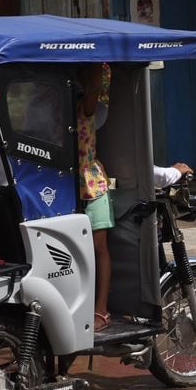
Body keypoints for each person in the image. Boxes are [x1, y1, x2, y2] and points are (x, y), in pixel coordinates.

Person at [77, 63, 114, 330]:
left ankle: (100, 311)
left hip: (93, 187)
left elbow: (93, 92)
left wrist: (96, 63)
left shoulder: (87, 108)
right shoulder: (55, 106)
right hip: (69, 187)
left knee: (99, 250)